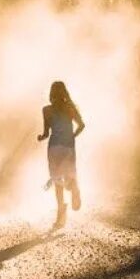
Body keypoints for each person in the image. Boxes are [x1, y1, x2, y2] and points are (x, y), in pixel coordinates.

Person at [37, 81, 85, 229]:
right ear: (65, 93)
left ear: (51, 93)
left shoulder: (46, 110)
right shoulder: (70, 108)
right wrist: (72, 136)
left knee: (57, 181)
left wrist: (41, 137)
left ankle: (61, 216)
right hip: (68, 147)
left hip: (54, 148)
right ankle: (74, 189)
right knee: (70, 175)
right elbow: (82, 125)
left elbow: (46, 133)